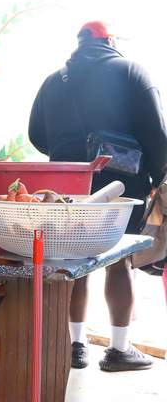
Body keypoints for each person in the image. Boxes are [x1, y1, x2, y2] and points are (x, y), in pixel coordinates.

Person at [28, 20, 167, 372]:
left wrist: (67, 153)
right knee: (119, 259)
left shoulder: (53, 80)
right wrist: (160, 174)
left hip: (67, 185)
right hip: (122, 184)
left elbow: (36, 135)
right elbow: (157, 133)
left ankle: (75, 346)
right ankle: (119, 350)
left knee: (76, 262)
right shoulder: (132, 71)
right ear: (110, 41)